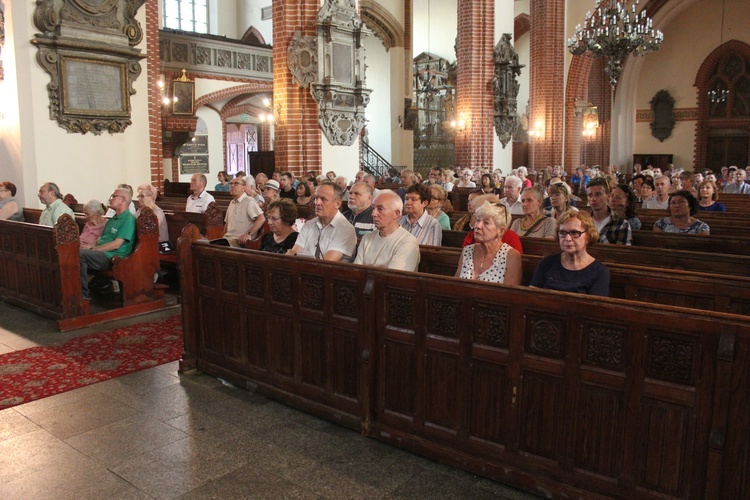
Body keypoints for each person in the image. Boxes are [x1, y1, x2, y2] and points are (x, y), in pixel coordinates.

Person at [529, 210, 610, 296]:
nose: (567, 238)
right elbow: (531, 297)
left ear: (588, 236)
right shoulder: (546, 263)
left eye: (574, 233)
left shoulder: (599, 271)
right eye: (563, 233)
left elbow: (595, 307)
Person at [79, 188, 137, 300]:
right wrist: (89, 246)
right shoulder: (112, 219)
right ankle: (73, 292)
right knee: (72, 252)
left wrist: (94, 249)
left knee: (79, 255)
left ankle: (82, 295)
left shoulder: (128, 219)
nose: (110, 199)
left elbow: (116, 244)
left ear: (123, 199)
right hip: (102, 253)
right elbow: (101, 238)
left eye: (113, 196)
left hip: (113, 257)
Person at [287, 181, 357, 261]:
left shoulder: (345, 229)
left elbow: (326, 265)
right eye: (316, 198)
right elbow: (293, 254)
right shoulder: (309, 224)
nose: (317, 203)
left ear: (337, 203)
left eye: (323, 199)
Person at [455, 202, 522, 284]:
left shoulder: (511, 256)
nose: (478, 226)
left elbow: (510, 294)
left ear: (500, 231)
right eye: (478, 220)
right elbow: (456, 286)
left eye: (486, 222)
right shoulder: (467, 251)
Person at [354, 191, 420, 271]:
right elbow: (356, 271)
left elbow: (393, 278)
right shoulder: (367, 238)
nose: (373, 214)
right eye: (373, 208)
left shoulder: (407, 242)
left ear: (396, 214)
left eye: (380, 209)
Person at [215, 177, 266, 246]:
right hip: (227, 238)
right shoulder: (232, 202)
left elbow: (261, 218)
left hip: (239, 240)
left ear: (244, 188)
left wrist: (249, 234)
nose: (232, 186)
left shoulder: (249, 201)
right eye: (231, 184)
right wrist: (222, 236)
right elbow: (227, 223)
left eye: (236, 184)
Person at [586, 178, 632, 245]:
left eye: (598, 194)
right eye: (590, 195)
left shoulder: (621, 224)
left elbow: (622, 253)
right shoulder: (583, 221)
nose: (593, 199)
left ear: (608, 196)